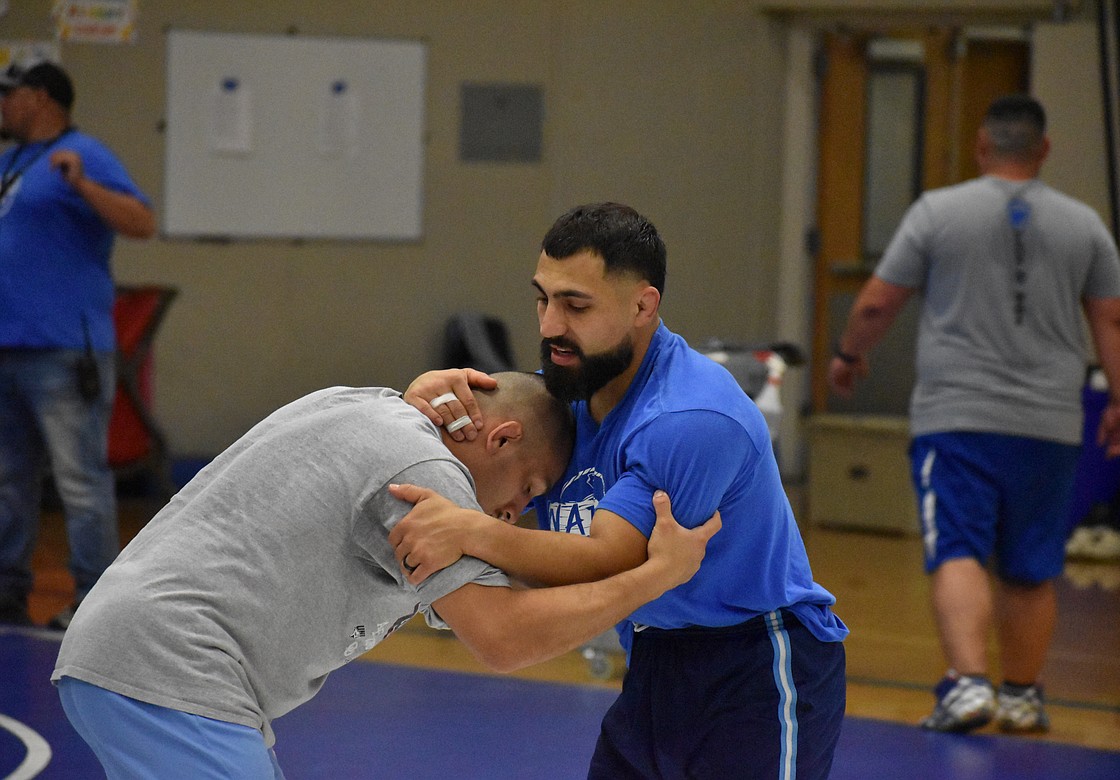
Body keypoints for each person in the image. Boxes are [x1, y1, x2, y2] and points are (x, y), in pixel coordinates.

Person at [52, 372, 720, 778]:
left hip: (139, 659)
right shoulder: (426, 471)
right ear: (501, 437)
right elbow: (503, 638)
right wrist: (654, 576)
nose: (515, 515)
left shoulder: (370, 405)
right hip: (173, 670)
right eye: (529, 489)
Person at [395, 202, 848, 779]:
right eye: (544, 299)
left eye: (576, 305)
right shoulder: (566, 390)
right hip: (653, 651)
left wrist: (472, 532)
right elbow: (480, 444)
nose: (550, 325)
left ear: (642, 305)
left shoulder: (689, 417)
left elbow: (606, 561)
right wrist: (425, 403)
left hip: (755, 663)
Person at [828, 94, 1120, 734]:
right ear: (1043, 149)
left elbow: (876, 304)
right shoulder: (1084, 224)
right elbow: (1113, 318)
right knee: (1031, 565)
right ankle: (1023, 695)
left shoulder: (938, 212)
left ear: (980, 147)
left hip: (958, 417)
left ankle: (968, 685)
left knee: (959, 550)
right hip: (1050, 423)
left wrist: (848, 356)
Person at [0, 60, 156, 629]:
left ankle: (94, 605)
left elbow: (141, 221)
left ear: (41, 99)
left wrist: (83, 184)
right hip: (8, 348)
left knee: (79, 481)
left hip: (64, 350)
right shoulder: (11, 161)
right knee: (8, 483)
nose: (2, 105)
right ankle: (7, 593)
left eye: (9, 95)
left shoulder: (84, 152)